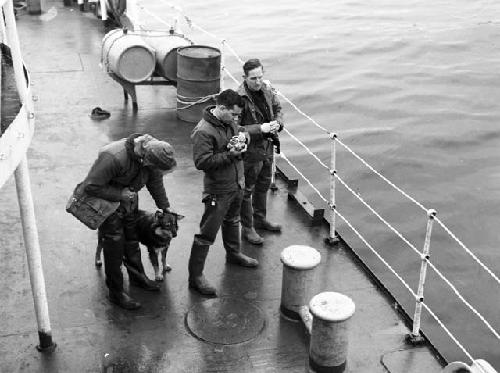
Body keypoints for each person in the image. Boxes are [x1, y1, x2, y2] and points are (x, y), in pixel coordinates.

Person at [188, 89, 271, 297]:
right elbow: (202, 162)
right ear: (221, 108)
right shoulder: (203, 131)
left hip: (236, 185)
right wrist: (230, 154)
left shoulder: (230, 123)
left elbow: (240, 130)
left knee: (233, 220)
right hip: (218, 191)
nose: (236, 118)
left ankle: (233, 254)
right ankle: (195, 277)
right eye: (233, 114)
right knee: (206, 234)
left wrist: (244, 139)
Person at [81, 133, 177, 310]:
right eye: (152, 166)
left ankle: (138, 278)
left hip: (130, 202)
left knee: (132, 241)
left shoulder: (154, 155)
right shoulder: (114, 157)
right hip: (109, 205)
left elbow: (155, 183)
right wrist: (120, 195)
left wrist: (165, 207)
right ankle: (116, 293)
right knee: (114, 247)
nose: (153, 170)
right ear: (145, 156)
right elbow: (90, 186)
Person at [237, 58, 284, 245]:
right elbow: (235, 128)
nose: (258, 82)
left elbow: (278, 108)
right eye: (253, 78)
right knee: (247, 191)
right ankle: (247, 228)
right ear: (245, 77)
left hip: (267, 148)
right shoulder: (238, 98)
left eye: (260, 77)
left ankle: (260, 219)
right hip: (250, 152)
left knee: (263, 185)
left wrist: (278, 123)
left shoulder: (266, 89)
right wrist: (260, 129)